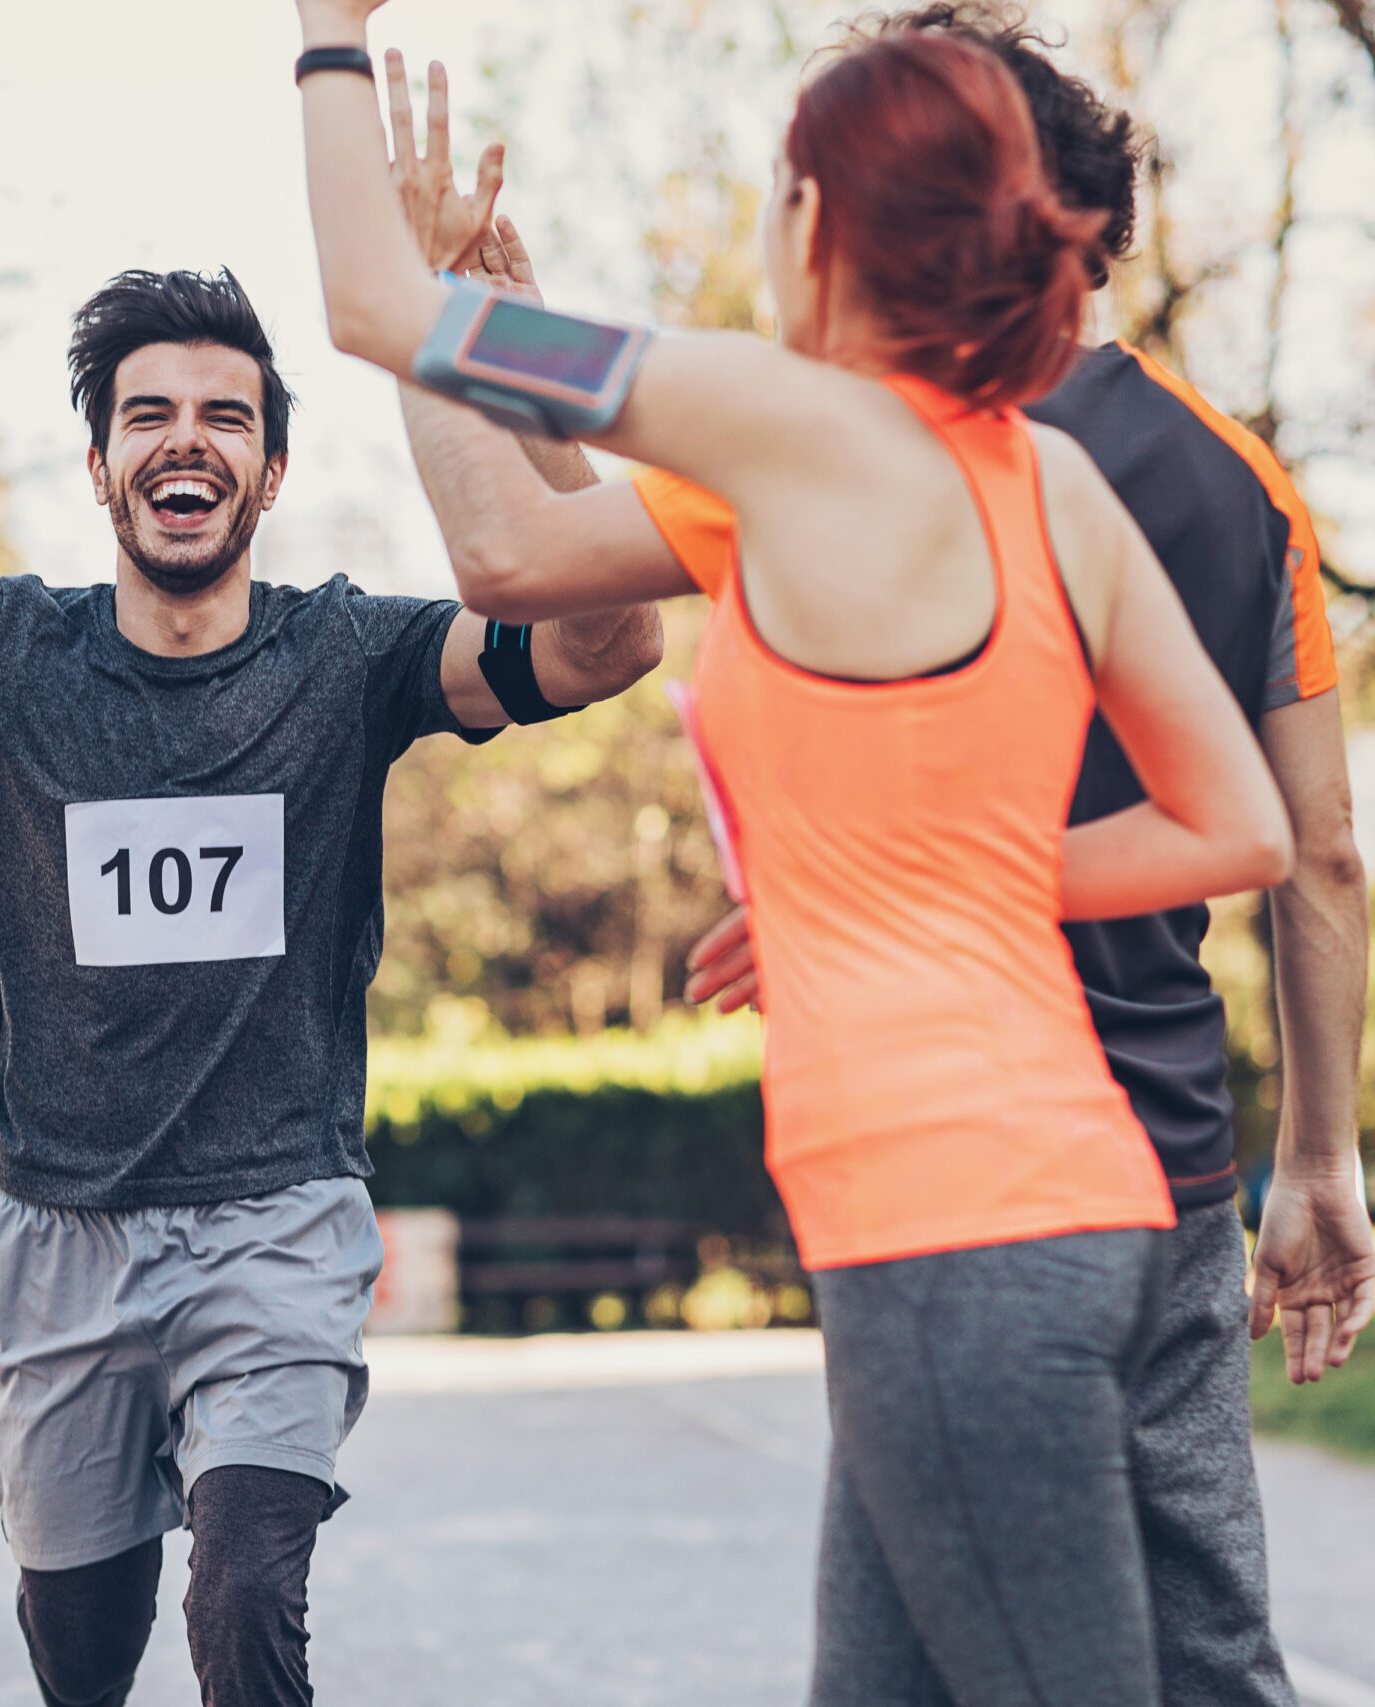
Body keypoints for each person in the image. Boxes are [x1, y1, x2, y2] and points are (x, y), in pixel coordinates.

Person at [293, 4, 1292, 1702]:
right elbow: (1243, 825)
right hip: (1067, 1213)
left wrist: (324, 37)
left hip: (957, 1233)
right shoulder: (1050, 489)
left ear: (823, 222)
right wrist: (908, 881)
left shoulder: (782, 419)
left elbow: (377, 307)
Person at [0, 125, 661, 1706]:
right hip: (53, 1235)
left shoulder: (347, 657)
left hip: (276, 1217)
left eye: (221, 417)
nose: (181, 440)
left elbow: (607, 640)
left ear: (268, 469)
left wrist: (500, 350)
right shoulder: (0, 656)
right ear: (101, 462)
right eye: (147, 415)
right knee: (80, 1652)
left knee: (249, 1595)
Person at [676, 12, 1375, 1704]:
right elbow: (1321, 853)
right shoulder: (1242, 479)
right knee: (1179, 1638)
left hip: (951, 1165)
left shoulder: (846, 453)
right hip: (1174, 1161)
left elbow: (514, 557)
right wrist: (1322, 1161)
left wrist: (892, 879)